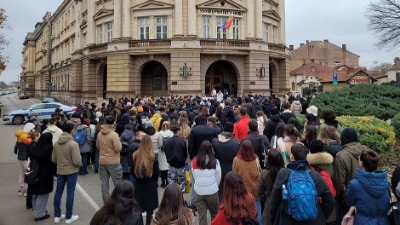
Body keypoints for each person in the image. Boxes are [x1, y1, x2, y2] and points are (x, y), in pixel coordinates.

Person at [270, 143, 335, 225]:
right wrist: (321, 217)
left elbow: (275, 201)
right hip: (314, 221)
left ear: (292, 157)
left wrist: (274, 219)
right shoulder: (315, 175)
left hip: (288, 220)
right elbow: (330, 200)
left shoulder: (283, 174)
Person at [333, 127, 370, 220]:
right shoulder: (367, 151)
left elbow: (339, 182)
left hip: (348, 199)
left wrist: (339, 197)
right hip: (368, 195)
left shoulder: (341, 156)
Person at [346, 149, 390, 225]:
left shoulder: (355, 184)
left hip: (362, 221)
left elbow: (349, 201)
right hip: (383, 222)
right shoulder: (385, 182)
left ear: (361, 163)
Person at [52, 123, 82, 224]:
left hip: (60, 170)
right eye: (74, 130)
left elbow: (53, 159)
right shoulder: (73, 144)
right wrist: (79, 165)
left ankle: (57, 215)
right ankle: (69, 217)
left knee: (58, 193)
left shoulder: (56, 143)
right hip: (71, 171)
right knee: (70, 193)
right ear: (71, 131)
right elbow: (77, 160)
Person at [306, 140, 336, 225]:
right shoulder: (330, 165)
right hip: (330, 208)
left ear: (310, 150)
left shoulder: (308, 166)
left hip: (314, 208)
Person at [131, 135, 159, 225]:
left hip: (138, 184)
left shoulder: (135, 155)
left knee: (138, 208)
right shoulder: (153, 156)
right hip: (150, 184)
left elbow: (132, 171)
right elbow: (157, 173)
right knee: (149, 209)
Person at [191, 140, 221, 225]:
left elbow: (194, 176)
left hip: (199, 191)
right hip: (212, 191)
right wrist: (215, 186)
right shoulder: (215, 161)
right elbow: (218, 177)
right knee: (214, 214)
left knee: (201, 215)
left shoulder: (194, 162)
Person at [232, 140, 262, 224]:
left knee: (242, 212)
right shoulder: (256, 159)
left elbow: (233, 174)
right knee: (255, 211)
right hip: (254, 189)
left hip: (241, 190)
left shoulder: (236, 160)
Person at [27, 132, 55, 221]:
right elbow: (52, 162)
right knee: (43, 194)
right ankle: (39, 214)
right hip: (45, 174)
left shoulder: (35, 147)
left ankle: (37, 210)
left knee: (35, 193)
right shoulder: (49, 149)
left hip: (34, 172)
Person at [96, 116, 123, 203]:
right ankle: (118, 200)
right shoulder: (114, 134)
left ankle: (106, 200)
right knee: (117, 183)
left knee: (104, 182)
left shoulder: (100, 133)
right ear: (114, 122)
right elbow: (118, 148)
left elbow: (97, 146)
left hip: (102, 160)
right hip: (113, 161)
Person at [212, 122, 240, 201]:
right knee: (232, 190)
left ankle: (221, 206)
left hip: (219, 169)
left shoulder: (215, 142)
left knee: (220, 191)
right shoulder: (237, 143)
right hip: (232, 169)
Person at [258, 149, 284, 225]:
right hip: (282, 202)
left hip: (269, 201)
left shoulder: (264, 173)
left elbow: (260, 192)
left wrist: (266, 199)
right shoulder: (285, 172)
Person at [164, 126, 187, 191]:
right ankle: (180, 194)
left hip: (171, 163)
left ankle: (172, 194)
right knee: (181, 180)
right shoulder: (182, 141)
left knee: (171, 180)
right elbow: (185, 153)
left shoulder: (167, 141)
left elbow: (166, 151)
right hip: (180, 163)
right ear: (178, 132)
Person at [15, 122, 35, 197]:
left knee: (22, 173)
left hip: (21, 157)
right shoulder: (25, 138)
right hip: (25, 158)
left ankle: (21, 189)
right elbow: (31, 142)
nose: (33, 130)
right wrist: (33, 134)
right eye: (32, 129)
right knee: (27, 173)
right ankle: (26, 190)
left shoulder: (21, 135)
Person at [158, 121, 173, 188]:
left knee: (162, 167)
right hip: (169, 152)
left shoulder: (159, 133)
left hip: (161, 152)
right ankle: (168, 180)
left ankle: (163, 181)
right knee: (168, 167)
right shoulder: (171, 133)